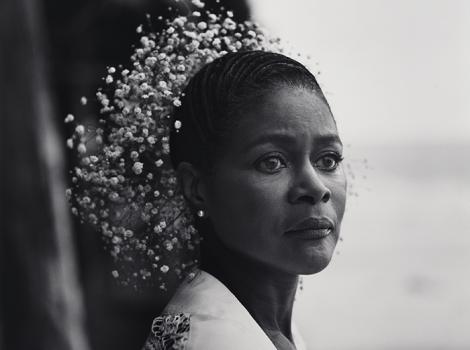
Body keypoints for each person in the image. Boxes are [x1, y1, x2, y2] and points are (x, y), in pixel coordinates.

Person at [141, 50, 347, 349]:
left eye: (328, 160)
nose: (316, 188)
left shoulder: (242, 327)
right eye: (272, 162)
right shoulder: (211, 339)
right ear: (197, 188)